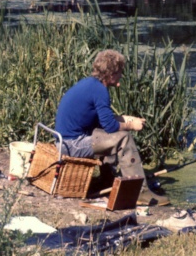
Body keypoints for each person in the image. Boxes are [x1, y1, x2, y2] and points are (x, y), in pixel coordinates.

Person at [54, 49, 158, 197]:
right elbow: (110, 126)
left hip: (65, 141)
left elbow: (103, 121)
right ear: (111, 74)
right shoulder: (100, 90)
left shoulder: (90, 84)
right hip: (72, 145)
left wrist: (127, 118)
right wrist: (131, 125)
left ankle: (108, 181)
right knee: (124, 137)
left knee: (108, 136)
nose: (121, 76)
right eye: (120, 72)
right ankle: (140, 193)